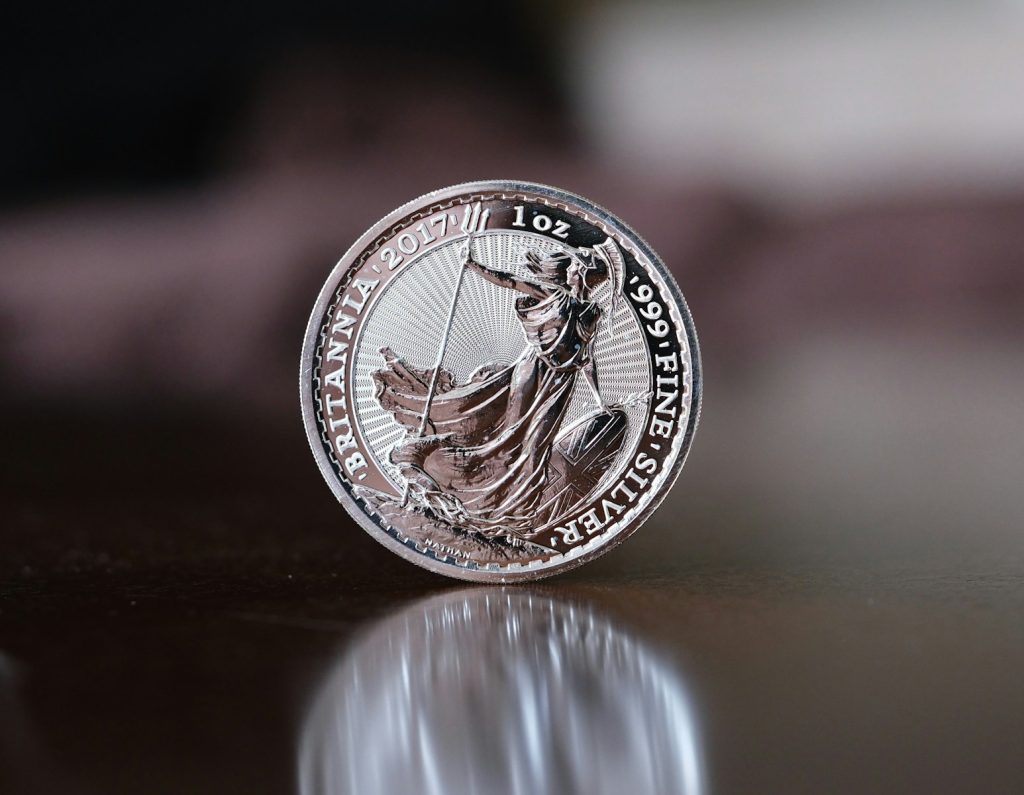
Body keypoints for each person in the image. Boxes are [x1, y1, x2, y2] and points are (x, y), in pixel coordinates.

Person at [372, 241, 616, 540]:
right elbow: (510, 281)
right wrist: (474, 265)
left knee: (536, 447)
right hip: (532, 374)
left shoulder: (590, 312)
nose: (575, 269)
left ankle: (515, 515)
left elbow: (586, 359)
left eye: (580, 266)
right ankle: (472, 497)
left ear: (586, 275)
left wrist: (599, 399)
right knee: (509, 441)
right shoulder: (553, 295)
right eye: (574, 265)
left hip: (559, 385)